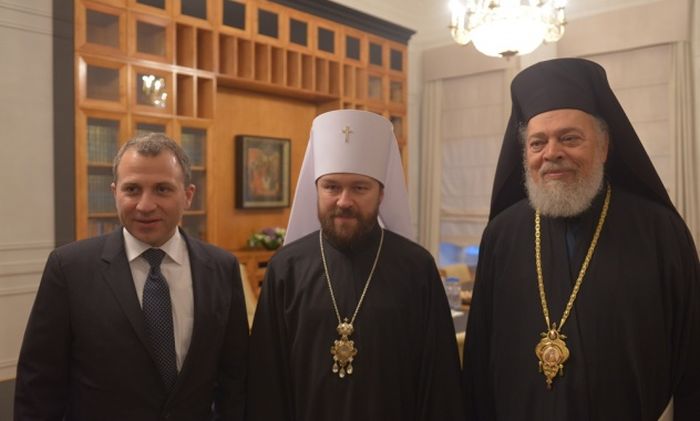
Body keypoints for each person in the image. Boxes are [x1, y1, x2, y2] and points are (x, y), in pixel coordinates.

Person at [462, 57, 700, 420]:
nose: (551, 153)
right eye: (537, 143)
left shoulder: (660, 231)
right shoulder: (501, 235)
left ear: (603, 147)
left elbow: (693, 356)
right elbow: (479, 358)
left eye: (569, 138)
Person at [247, 109, 464, 421]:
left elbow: (438, 381)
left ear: (381, 194)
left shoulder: (417, 268)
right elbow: (266, 381)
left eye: (359, 188)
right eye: (331, 186)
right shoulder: (285, 268)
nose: (344, 201)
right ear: (316, 189)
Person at [15, 133, 248, 420]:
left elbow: (235, 378)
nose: (145, 205)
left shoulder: (222, 268)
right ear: (115, 193)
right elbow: (39, 384)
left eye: (162, 189)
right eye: (132, 189)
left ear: (188, 195)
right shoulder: (69, 269)